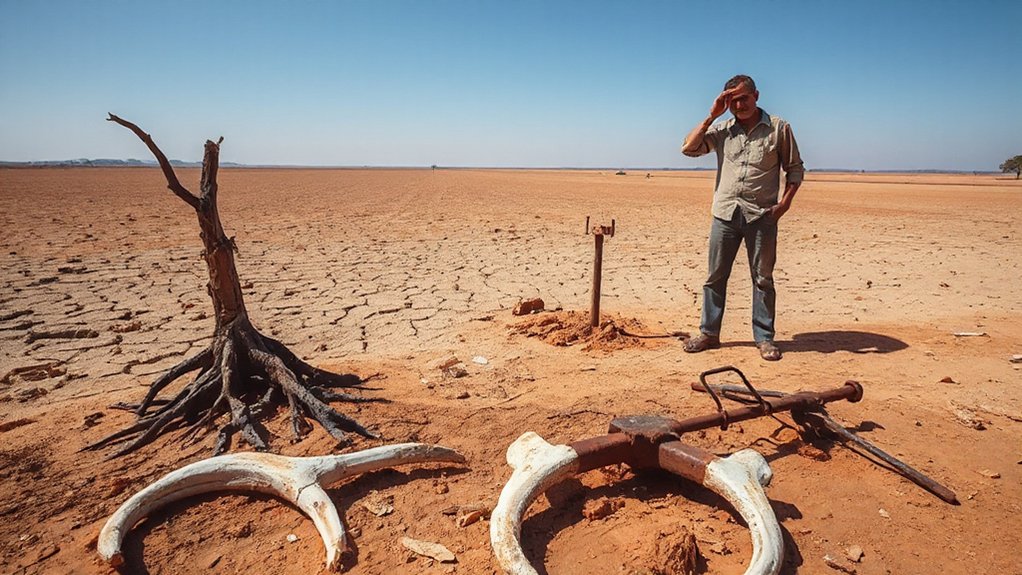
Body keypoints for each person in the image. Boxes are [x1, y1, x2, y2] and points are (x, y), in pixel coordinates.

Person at [680, 75, 804, 361]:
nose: (739, 104)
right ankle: (709, 334)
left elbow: (794, 169)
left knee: (762, 279)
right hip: (725, 214)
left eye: (743, 98)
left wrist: (784, 205)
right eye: (732, 100)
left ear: (756, 95)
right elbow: (689, 148)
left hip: (762, 216)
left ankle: (764, 338)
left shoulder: (778, 128)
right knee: (715, 277)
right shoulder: (723, 130)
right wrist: (712, 115)